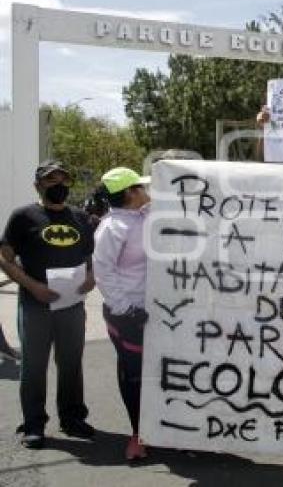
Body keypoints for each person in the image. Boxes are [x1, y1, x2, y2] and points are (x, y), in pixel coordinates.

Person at [0, 160, 96, 449]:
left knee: (70, 363)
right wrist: (32, 286)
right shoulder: (23, 216)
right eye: (51, 182)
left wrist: (91, 278)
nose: (58, 187)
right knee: (33, 366)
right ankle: (33, 423)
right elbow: (5, 258)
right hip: (34, 304)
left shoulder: (80, 218)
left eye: (63, 181)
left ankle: (72, 418)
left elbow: (92, 259)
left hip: (72, 305)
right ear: (38, 186)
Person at [93, 167, 150, 460]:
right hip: (127, 314)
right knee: (134, 375)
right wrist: (126, 309)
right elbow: (103, 271)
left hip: (153, 311)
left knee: (156, 373)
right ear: (130, 193)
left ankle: (163, 429)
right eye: (141, 186)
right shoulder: (113, 227)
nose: (146, 190)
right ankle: (137, 434)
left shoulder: (145, 216)